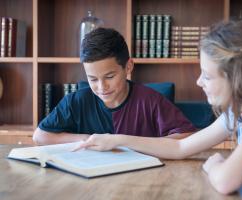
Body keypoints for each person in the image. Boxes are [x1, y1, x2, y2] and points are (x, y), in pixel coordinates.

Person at [74, 20, 242, 198]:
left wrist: (216, 165)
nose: (199, 82)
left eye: (208, 76)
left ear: (238, 79)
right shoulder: (237, 111)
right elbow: (181, 147)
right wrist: (116, 140)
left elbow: (225, 181)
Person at [32, 27, 197, 145]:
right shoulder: (75, 101)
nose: (102, 87)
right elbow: (40, 136)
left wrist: (132, 143)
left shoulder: (150, 101)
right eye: (93, 79)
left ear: (128, 67)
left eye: (109, 76)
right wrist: (87, 139)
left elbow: (187, 136)